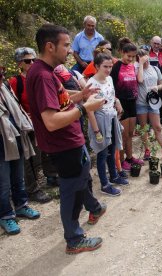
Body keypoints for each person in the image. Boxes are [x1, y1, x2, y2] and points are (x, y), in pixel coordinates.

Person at [26, 24, 106, 254]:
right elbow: (51, 120)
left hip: (71, 141)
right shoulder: (41, 75)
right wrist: (84, 107)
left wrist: (81, 95)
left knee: (81, 178)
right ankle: (74, 239)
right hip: (63, 145)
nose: (71, 50)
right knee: (71, 192)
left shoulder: (46, 71)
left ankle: (94, 207)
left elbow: (59, 99)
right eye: (66, 45)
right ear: (50, 46)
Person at [0, 65, 40, 235]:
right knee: (3, 183)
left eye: (2, 72)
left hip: (16, 137)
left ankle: (21, 205)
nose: (2, 75)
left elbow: (16, 108)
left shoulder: (5, 87)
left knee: (18, 176)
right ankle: (6, 216)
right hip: (1, 142)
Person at [9, 47, 52, 203]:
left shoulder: (39, 77)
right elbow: (12, 105)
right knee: (30, 158)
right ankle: (32, 189)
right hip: (25, 126)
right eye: (28, 61)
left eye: (34, 60)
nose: (32, 63)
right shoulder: (15, 82)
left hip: (42, 122)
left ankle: (51, 176)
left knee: (43, 152)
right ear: (20, 64)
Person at [86, 52, 127, 197]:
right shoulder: (91, 84)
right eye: (105, 66)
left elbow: (110, 95)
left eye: (110, 66)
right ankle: (104, 184)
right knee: (102, 153)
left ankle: (114, 176)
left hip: (111, 117)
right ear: (96, 66)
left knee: (112, 148)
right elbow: (89, 110)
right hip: (99, 119)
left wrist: (117, 101)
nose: (108, 69)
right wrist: (96, 131)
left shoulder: (109, 78)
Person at [135, 48, 162, 161]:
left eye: (145, 57)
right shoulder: (136, 69)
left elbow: (161, 84)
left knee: (158, 127)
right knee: (144, 128)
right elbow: (139, 80)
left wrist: (157, 87)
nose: (145, 60)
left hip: (153, 102)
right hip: (141, 103)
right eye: (141, 58)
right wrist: (140, 64)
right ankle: (147, 150)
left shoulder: (155, 68)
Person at [110, 41, 142, 171]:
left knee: (130, 133)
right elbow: (111, 86)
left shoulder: (133, 66)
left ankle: (130, 157)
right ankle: (122, 161)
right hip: (121, 104)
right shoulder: (116, 66)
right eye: (128, 56)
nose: (130, 59)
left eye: (133, 57)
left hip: (132, 102)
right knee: (122, 135)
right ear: (122, 53)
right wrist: (115, 102)